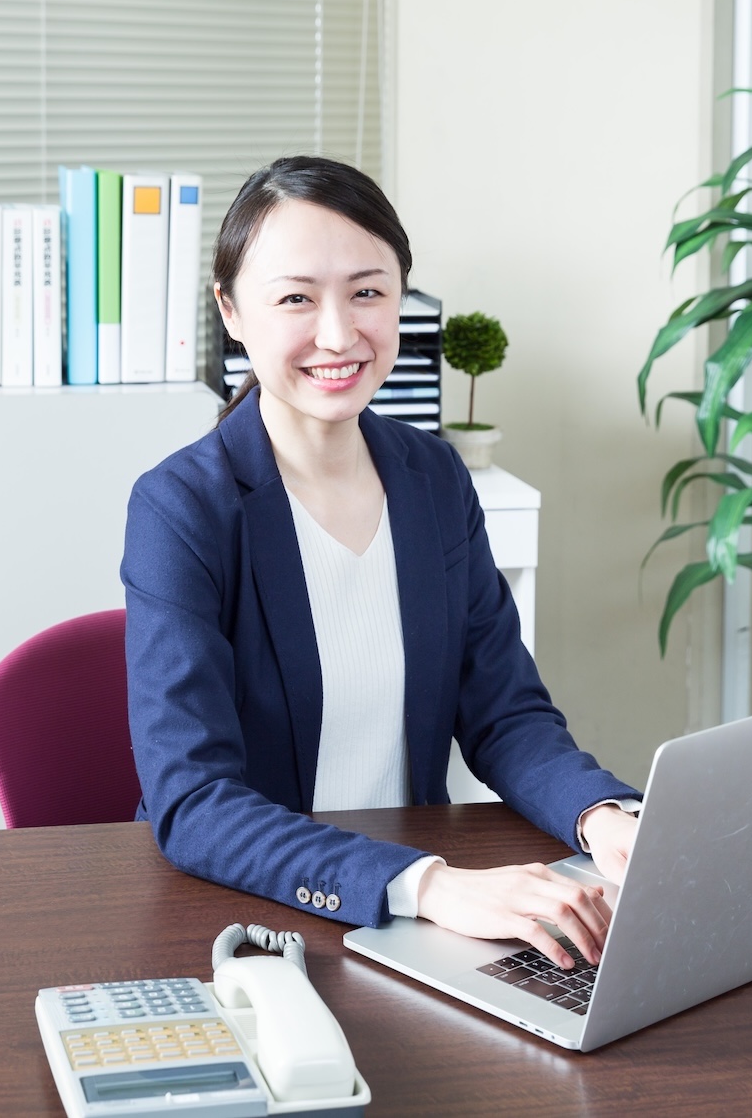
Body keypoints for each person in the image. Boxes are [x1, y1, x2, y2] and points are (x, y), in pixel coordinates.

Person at [121, 156, 642, 970]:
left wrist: (602, 818)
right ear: (231, 311)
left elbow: (506, 713)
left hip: (417, 929)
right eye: (295, 297)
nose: (339, 333)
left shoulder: (433, 478)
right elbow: (193, 804)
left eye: (368, 291)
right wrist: (430, 885)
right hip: (261, 926)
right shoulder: (182, 508)